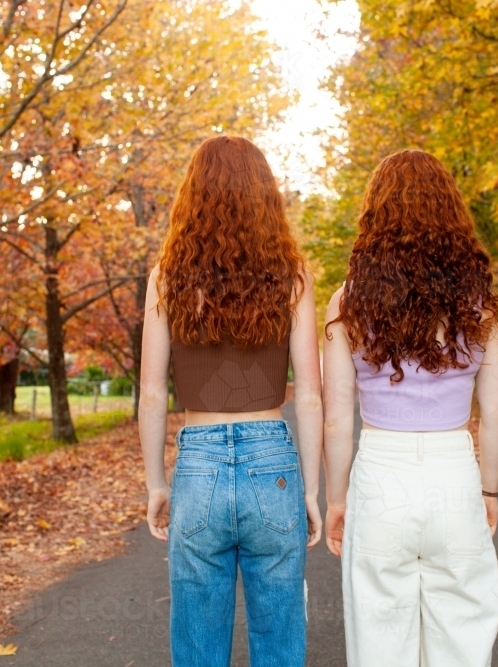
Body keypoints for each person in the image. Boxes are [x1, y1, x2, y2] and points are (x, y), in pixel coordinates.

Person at [138, 135, 323, 667]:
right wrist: (310, 490)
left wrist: (156, 482)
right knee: (280, 637)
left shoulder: (166, 280)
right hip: (274, 463)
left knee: (198, 645)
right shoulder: (292, 279)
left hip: (198, 464)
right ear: (266, 196)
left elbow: (152, 393)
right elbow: (308, 395)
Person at [322, 149, 498, 667]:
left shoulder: (347, 303)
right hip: (454, 470)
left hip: (381, 473)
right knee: (463, 629)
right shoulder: (482, 304)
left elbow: (337, 417)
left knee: (380, 633)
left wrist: (336, 500)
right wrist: (489, 488)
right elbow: (495, 410)